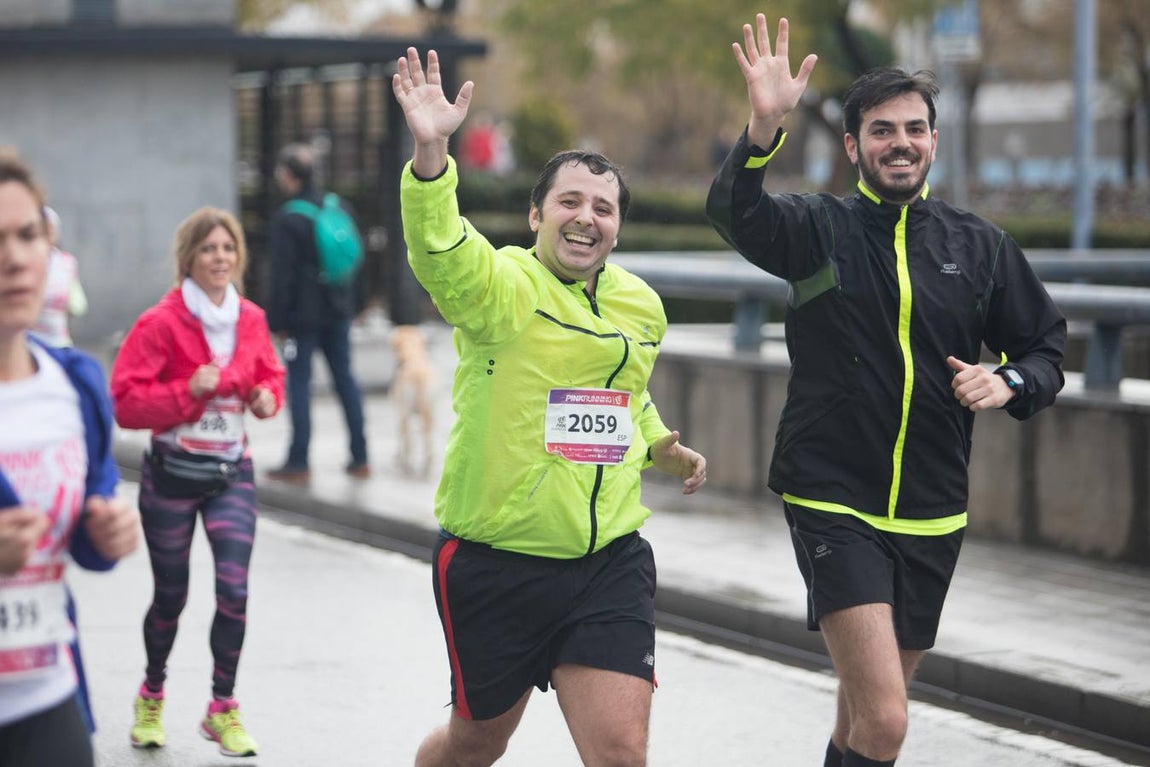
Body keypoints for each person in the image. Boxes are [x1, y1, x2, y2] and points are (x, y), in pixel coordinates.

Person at [706, 16, 1067, 767]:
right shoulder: (817, 229)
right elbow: (733, 213)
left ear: (933, 140)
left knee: (862, 725)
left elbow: (1045, 348)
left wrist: (1008, 379)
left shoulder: (981, 247)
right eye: (880, 130)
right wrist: (762, 131)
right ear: (852, 146)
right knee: (889, 722)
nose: (899, 142)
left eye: (914, 128)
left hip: (934, 509)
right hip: (832, 495)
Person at [392, 48, 708, 767]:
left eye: (603, 207)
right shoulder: (502, 287)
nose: (585, 218)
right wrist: (432, 153)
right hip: (497, 564)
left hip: (608, 560)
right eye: (569, 202)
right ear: (537, 213)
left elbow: (621, 391)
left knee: (621, 753)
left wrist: (659, 442)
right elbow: (441, 247)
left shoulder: (641, 305)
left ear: (618, 226)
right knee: (475, 744)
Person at [110, 206, 284, 758]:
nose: (220, 258)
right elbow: (126, 404)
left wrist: (264, 398)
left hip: (231, 475)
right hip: (171, 478)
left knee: (233, 591)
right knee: (170, 596)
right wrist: (189, 390)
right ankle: (152, 694)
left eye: (228, 249)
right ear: (189, 258)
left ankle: (222, 707)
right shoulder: (159, 323)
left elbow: (270, 377)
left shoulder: (250, 319)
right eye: (209, 249)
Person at [0, 153, 140, 767]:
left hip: (49, 697)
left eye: (27, 235)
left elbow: (81, 545)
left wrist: (106, 532)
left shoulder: (76, 383)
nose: (14, 258)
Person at [265, 143, 370, 483]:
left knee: (299, 384)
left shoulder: (289, 218)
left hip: (301, 318)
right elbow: (357, 260)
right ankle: (360, 457)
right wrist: (358, 304)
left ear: (288, 174)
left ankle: (299, 462)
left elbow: (282, 277)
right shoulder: (339, 206)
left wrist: (277, 322)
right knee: (345, 380)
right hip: (338, 310)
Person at [32, 206, 88, 347]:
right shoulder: (24, 262)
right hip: (30, 342)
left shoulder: (66, 263)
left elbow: (77, 304)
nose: (48, 234)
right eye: (43, 229)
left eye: (51, 229)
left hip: (59, 341)